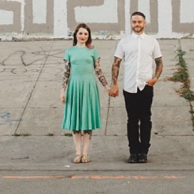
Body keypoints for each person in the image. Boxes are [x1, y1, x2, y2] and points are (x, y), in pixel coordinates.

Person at [108, 11, 163, 164]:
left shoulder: (152, 41)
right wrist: (115, 84)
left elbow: (159, 62)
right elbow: (116, 63)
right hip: (129, 86)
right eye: (134, 22)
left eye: (139, 22)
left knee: (145, 119)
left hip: (146, 86)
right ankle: (133, 152)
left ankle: (144, 151)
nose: (137, 24)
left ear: (144, 23)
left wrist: (155, 79)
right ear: (131, 24)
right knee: (132, 120)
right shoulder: (124, 42)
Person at [61, 23, 111, 163]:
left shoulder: (93, 51)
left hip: (89, 86)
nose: (83, 36)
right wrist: (63, 90)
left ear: (88, 37)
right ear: (76, 34)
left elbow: (98, 70)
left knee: (87, 120)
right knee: (75, 121)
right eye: (81, 33)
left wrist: (106, 86)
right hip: (74, 86)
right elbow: (66, 72)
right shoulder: (69, 51)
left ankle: (85, 153)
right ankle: (77, 153)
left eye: (86, 34)